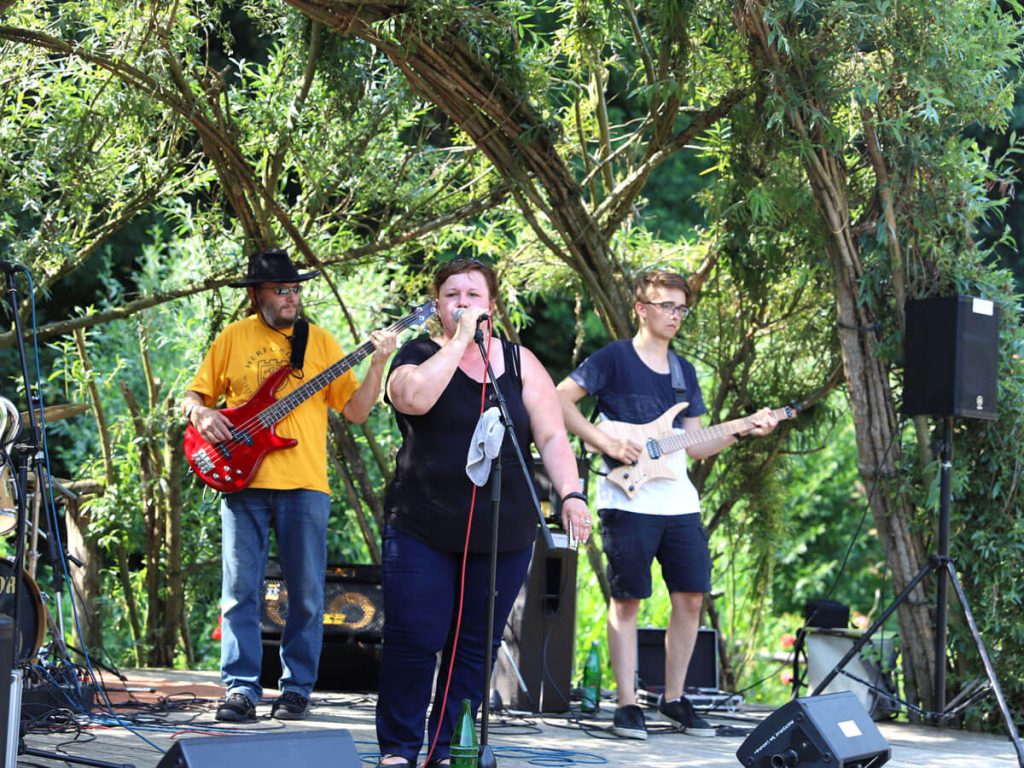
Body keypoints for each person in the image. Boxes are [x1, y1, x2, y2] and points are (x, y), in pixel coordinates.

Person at [375, 258, 592, 768]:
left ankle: (450, 749)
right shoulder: (419, 353)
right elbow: (411, 398)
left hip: (501, 531)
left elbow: (552, 435)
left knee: (474, 645)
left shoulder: (519, 362)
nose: (464, 302)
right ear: (438, 306)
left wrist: (571, 494)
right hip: (421, 524)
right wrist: (458, 344)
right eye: (452, 294)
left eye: (474, 294)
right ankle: (399, 750)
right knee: (416, 636)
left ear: (491, 305)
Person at [556, 270, 778, 740]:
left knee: (691, 596)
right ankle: (626, 704)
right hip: (627, 496)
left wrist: (741, 430)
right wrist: (606, 442)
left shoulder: (684, 371)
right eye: (666, 306)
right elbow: (559, 400)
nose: (675, 315)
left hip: (678, 499)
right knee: (628, 599)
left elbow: (696, 445)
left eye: (681, 308)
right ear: (641, 308)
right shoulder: (614, 358)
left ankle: (674, 700)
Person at [182, 249, 396, 722]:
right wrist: (202, 412)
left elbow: (357, 412)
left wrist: (379, 362)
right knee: (240, 590)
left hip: (305, 484)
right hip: (242, 480)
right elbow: (194, 396)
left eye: (296, 290)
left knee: (305, 593)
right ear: (257, 295)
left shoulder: (319, 342)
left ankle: (296, 688)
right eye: (282, 290)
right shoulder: (234, 337)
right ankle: (240, 689)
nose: (291, 298)